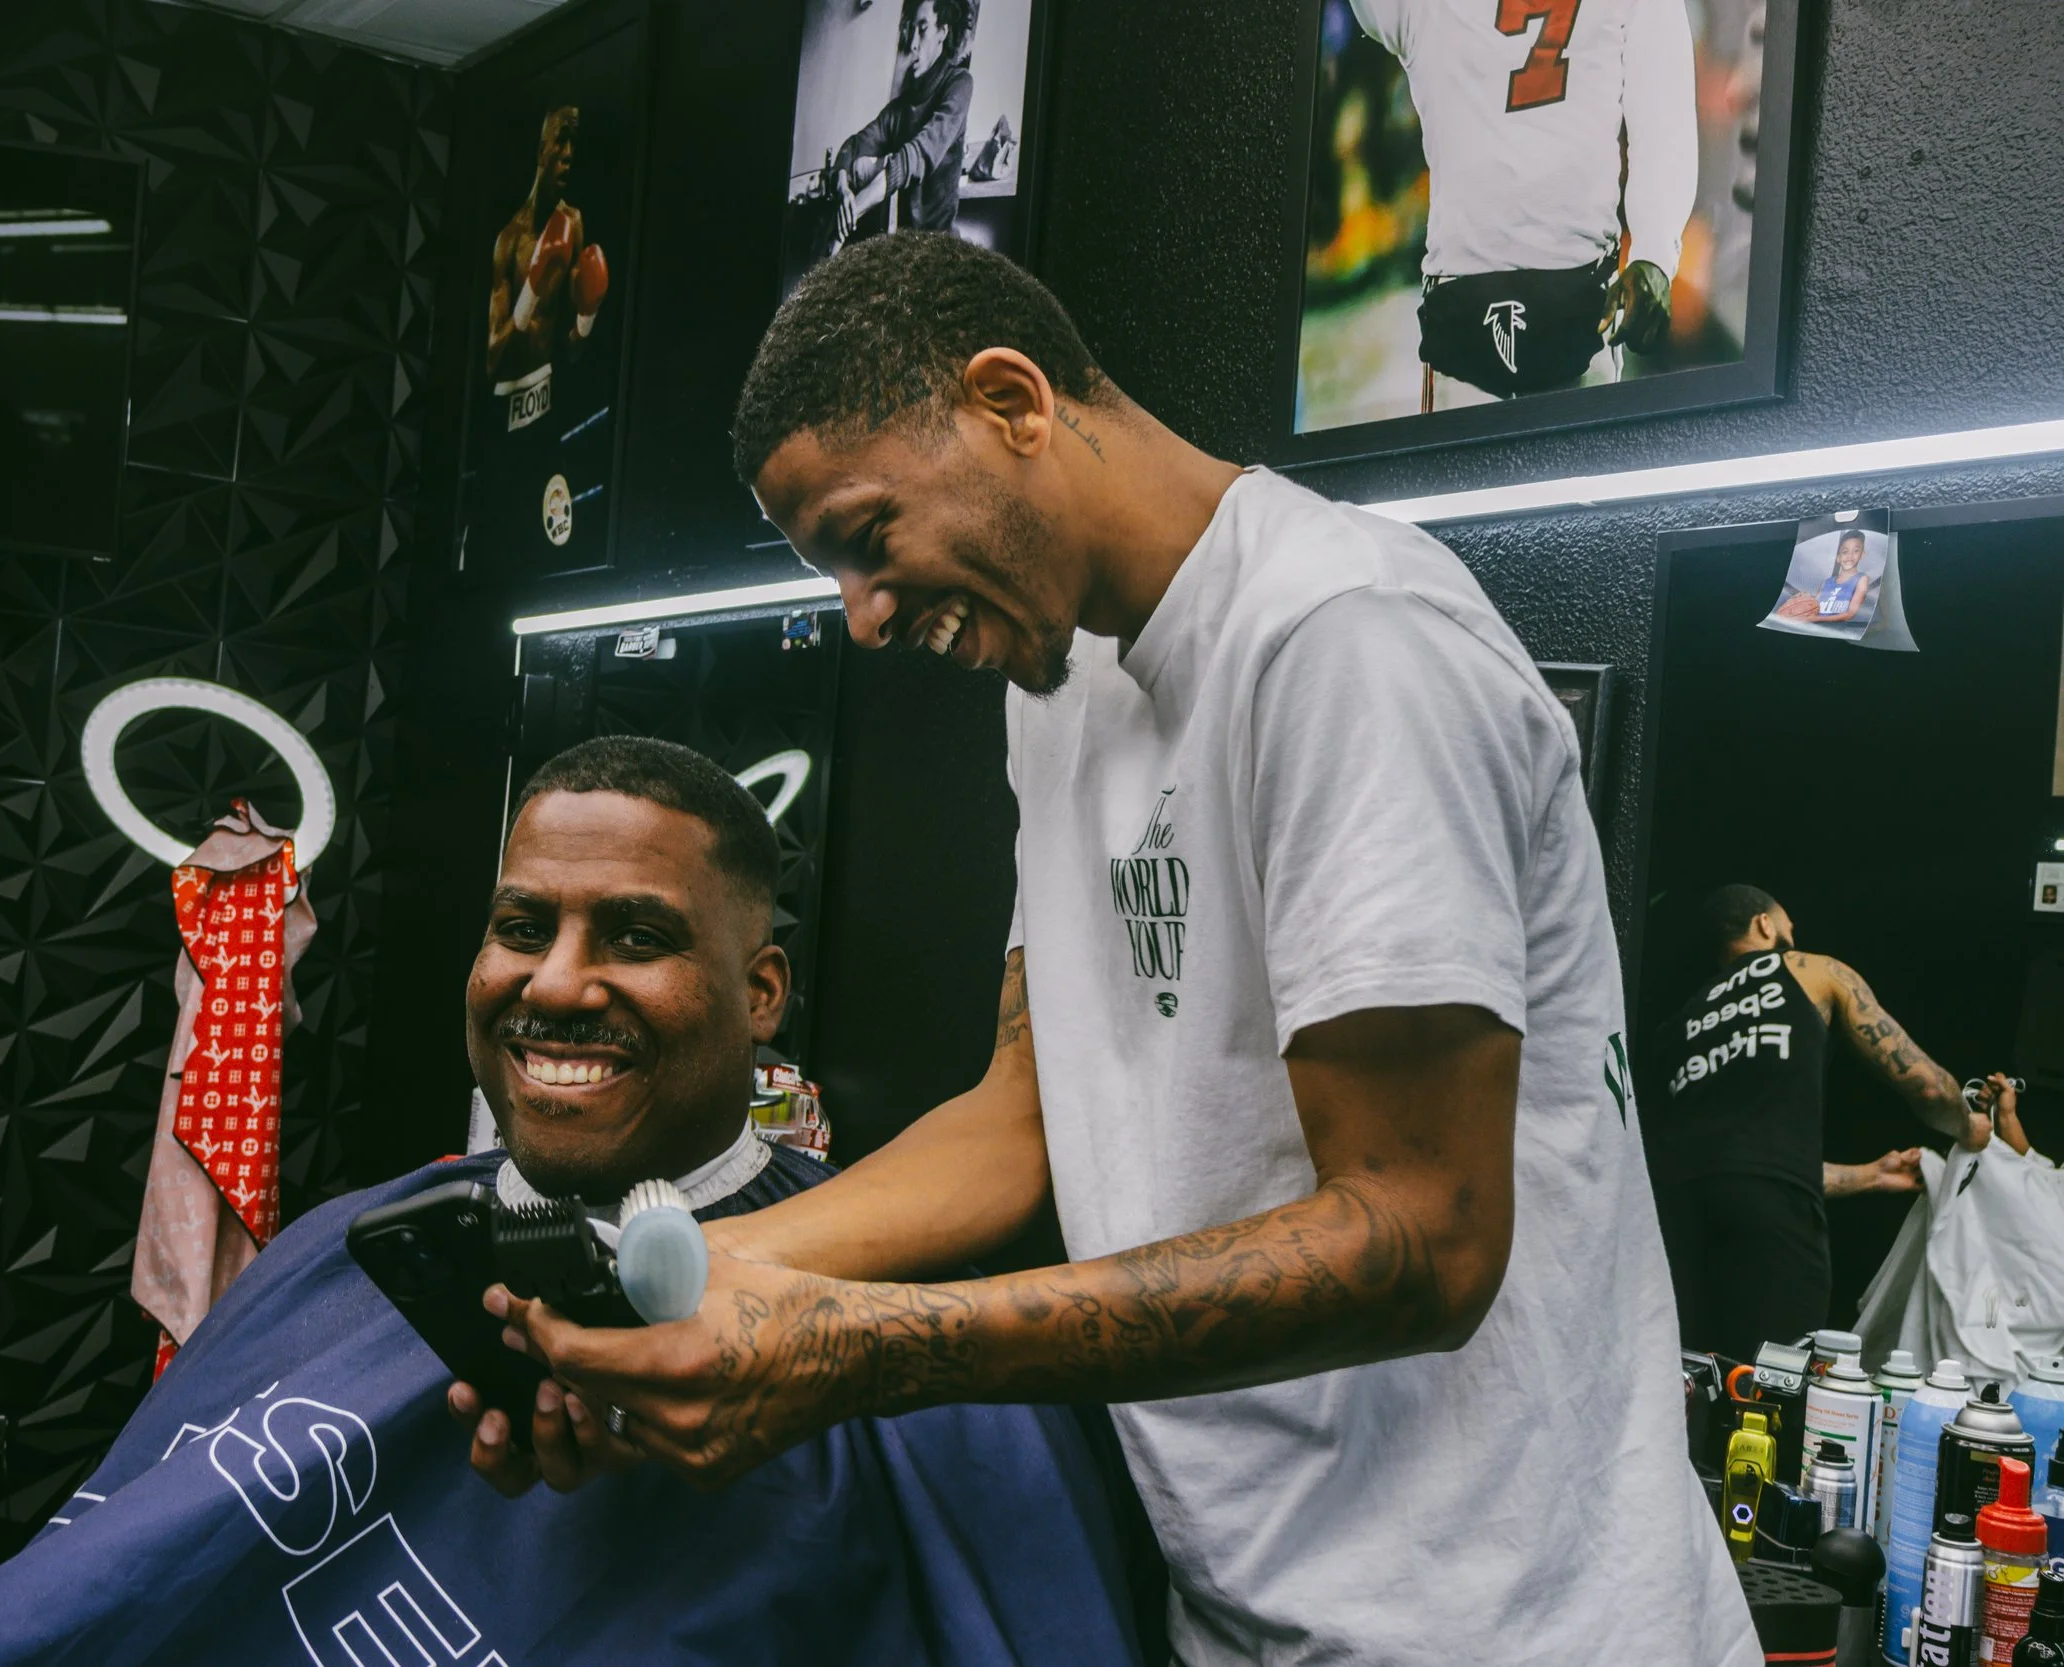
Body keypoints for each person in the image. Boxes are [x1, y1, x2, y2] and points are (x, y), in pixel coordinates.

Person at [473, 232, 1755, 1666]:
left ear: (1013, 399)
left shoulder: (1345, 643)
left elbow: (1421, 1239)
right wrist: (669, 1278)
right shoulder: (1061, 679)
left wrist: (865, 1345)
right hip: (1245, 1610)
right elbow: (1026, 1116)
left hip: (1509, 1624)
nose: (865, 616)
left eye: (867, 536)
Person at [0, 735, 1146, 1667]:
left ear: (762, 994)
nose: (557, 982)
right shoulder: (354, 1246)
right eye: (522, 925)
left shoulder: (878, 1346)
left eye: (636, 937)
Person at [1641, 884, 1994, 1362]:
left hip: (1671, 1223)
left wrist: (1872, 1175)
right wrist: (1967, 1124)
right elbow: (1927, 1088)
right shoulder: (1811, 970)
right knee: (1772, 1383)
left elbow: (1732, 1165)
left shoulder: (1676, 1027)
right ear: (1764, 924)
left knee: (1687, 1379)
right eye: (1787, 925)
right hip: (1770, 1225)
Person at [1346, 0, 1696, 399]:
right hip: (1561, 289)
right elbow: (1664, 118)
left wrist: (1653, 252)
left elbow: (1662, 115)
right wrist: (1654, 251)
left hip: (1533, 292)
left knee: (1467, 458)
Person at [486, 105, 609, 410]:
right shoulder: (509, 240)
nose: (568, 154)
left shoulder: (572, 223)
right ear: (542, 152)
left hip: (548, 397)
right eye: (561, 140)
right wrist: (532, 290)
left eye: (573, 144)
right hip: (505, 400)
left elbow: (573, 351)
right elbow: (491, 360)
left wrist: (586, 316)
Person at [828, 0, 974, 251]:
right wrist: (844, 194)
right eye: (911, 30)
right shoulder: (899, 109)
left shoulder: (959, 84)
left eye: (923, 29)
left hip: (940, 249)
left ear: (942, 33)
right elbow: (852, 147)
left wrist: (853, 212)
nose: (913, 43)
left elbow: (916, 156)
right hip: (903, 249)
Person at [1774, 530, 1874, 625]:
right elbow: (1814, 605)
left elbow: (1850, 614)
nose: (1850, 556)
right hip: (1816, 628)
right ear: (1838, 557)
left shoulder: (1862, 579)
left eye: (1856, 551)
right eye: (1845, 552)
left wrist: (1816, 619)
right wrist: (1805, 597)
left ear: (1862, 555)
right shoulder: (1826, 582)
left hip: (1838, 631)